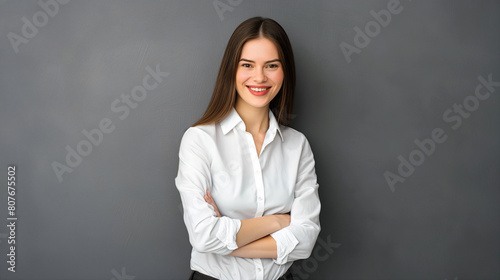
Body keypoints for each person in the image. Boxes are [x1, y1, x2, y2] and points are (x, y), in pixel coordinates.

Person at [175, 16, 321, 280]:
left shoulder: (297, 146)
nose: (259, 77)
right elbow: (203, 235)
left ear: (284, 70)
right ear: (232, 69)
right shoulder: (199, 140)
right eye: (247, 65)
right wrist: (279, 222)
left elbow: (306, 239)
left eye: (271, 65)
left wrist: (228, 243)